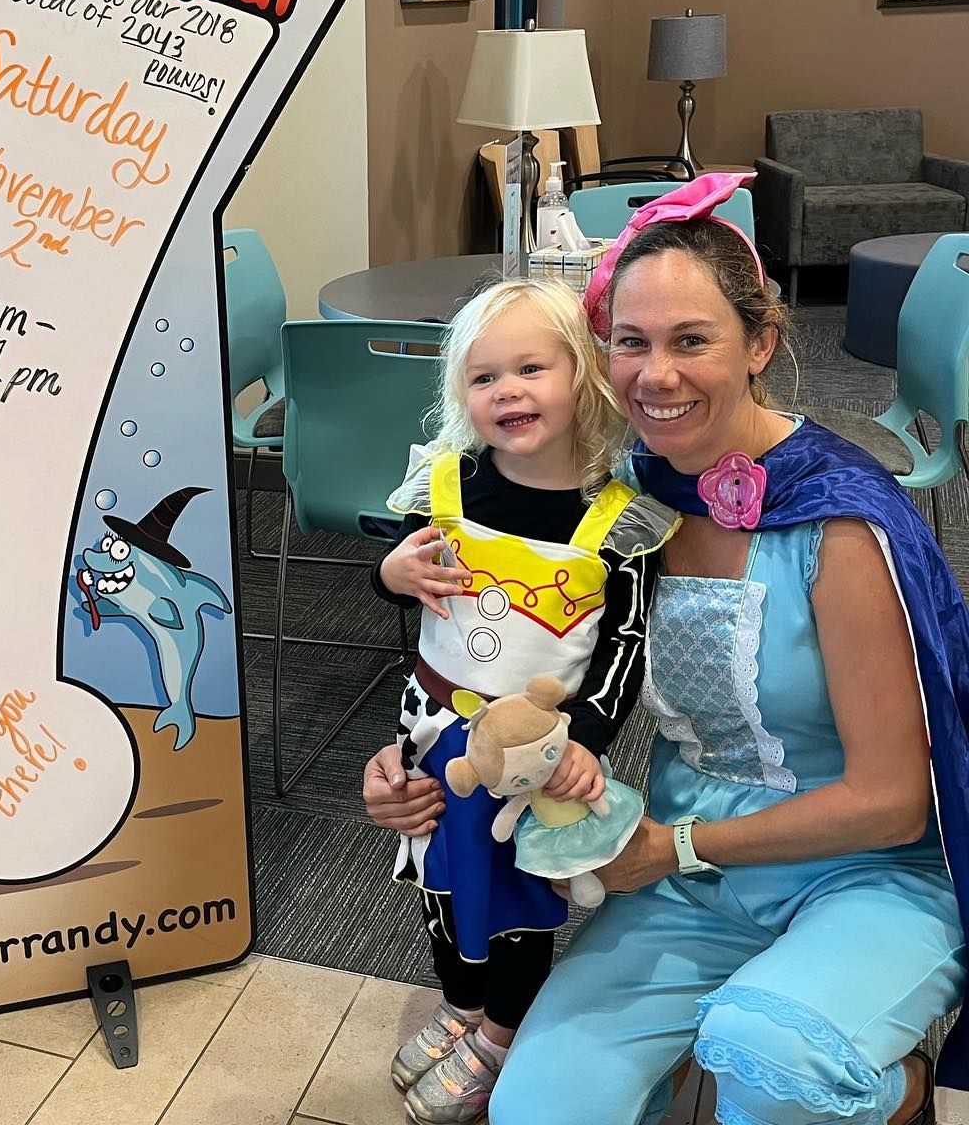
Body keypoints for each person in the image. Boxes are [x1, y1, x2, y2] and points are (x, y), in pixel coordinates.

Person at [364, 179, 969, 1125]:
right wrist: (420, 768)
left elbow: (894, 804)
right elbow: (499, 671)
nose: (655, 375)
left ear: (761, 342)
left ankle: (894, 1093)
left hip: (862, 872)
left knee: (769, 1062)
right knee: (538, 1114)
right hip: (687, 880)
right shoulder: (611, 507)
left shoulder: (842, 522)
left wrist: (673, 846)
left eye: (692, 340)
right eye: (630, 343)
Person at [370, 278, 676, 1125]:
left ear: (582, 375)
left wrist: (585, 737)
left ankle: (502, 1031)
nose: (506, 391)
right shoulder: (447, 483)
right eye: (483, 377)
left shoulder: (620, 519)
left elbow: (623, 650)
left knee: (519, 901)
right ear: (460, 394)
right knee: (438, 881)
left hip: (539, 756)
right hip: (431, 727)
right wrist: (390, 573)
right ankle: (461, 1006)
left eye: (531, 368)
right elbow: (411, 577)